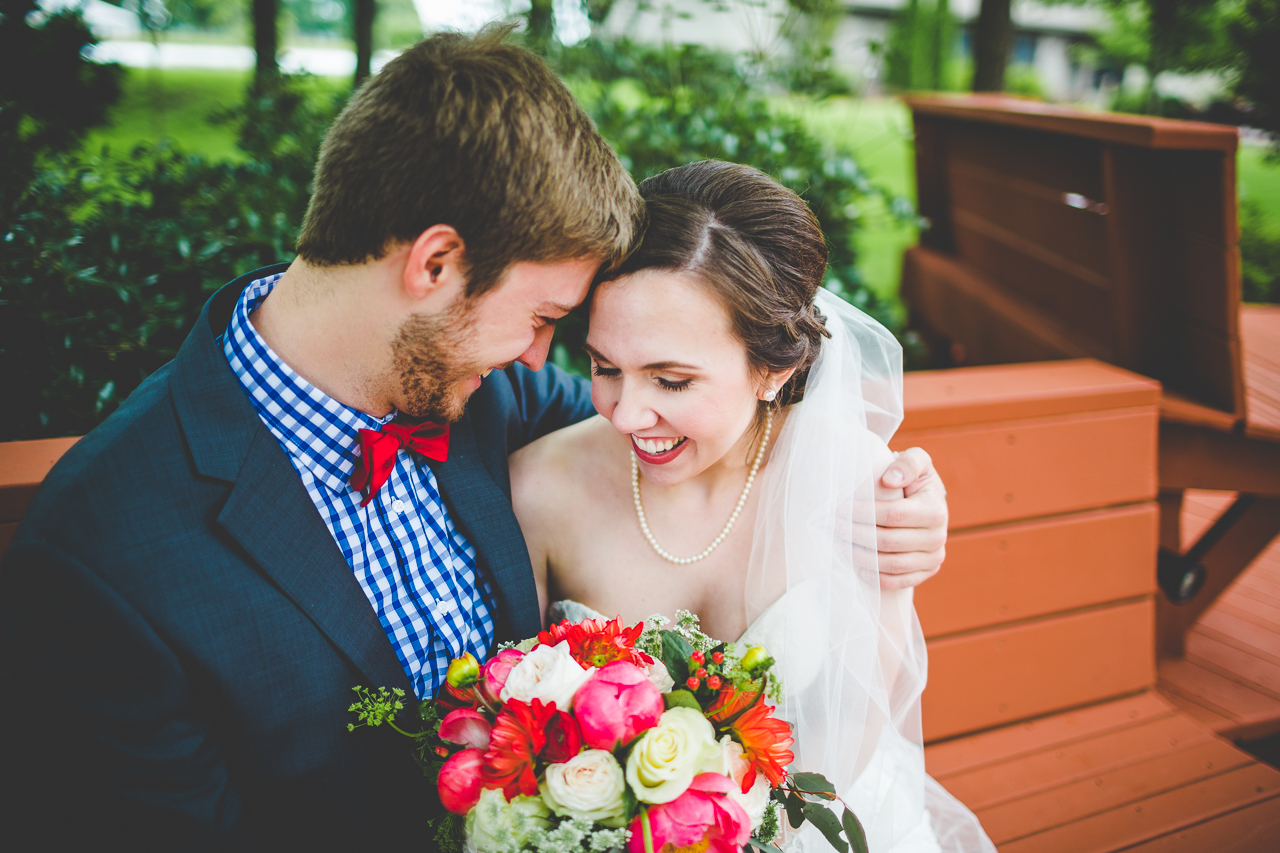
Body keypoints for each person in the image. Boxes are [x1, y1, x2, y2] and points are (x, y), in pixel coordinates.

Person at [0, 30, 948, 850]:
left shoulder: (494, 395)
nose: (554, 367)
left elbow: (702, 419)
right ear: (436, 263)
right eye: (542, 320)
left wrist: (898, 506)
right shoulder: (104, 558)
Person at [510, 161, 993, 852]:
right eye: (605, 367)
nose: (627, 414)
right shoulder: (540, 488)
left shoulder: (853, 481)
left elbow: (856, 720)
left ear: (774, 369)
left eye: (671, 380)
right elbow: (529, 723)